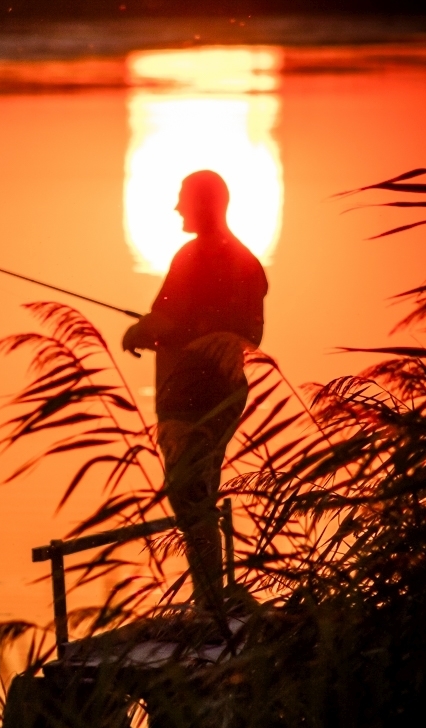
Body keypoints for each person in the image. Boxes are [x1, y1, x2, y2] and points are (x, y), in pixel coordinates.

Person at [121, 170, 267, 614]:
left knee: (187, 492)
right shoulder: (247, 261)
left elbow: (167, 319)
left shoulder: (195, 257)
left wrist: (138, 331)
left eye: (183, 199)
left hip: (191, 399)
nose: (176, 208)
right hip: (225, 396)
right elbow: (249, 333)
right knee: (198, 489)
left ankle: (210, 600)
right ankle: (213, 595)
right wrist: (171, 328)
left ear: (205, 204)